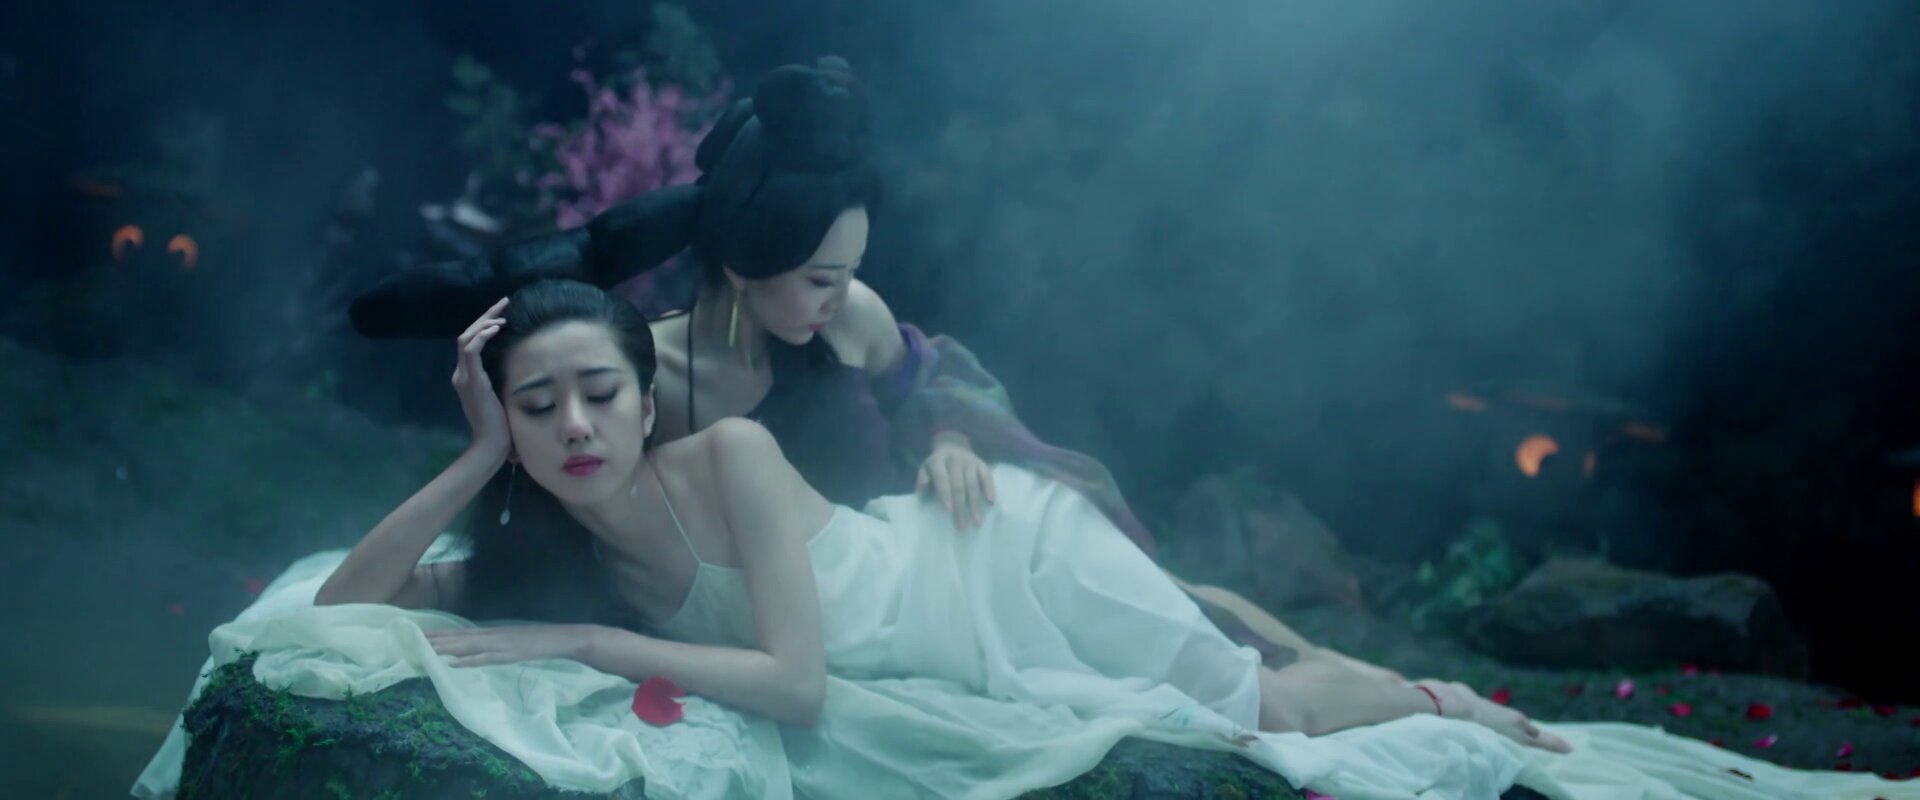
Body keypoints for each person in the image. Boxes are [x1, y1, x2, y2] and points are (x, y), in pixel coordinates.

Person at [290, 280, 1906, 800]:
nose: (576, 426)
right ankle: (1356, 669)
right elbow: (329, 610)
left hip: (998, 566)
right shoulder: (543, 525)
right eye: (539, 408)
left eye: (597, 393)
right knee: (1246, 693)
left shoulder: (731, 454)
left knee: (1264, 709)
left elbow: (794, 682)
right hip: (949, 632)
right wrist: (474, 455)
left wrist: (586, 643)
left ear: (647, 394)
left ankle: (1442, 701)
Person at [347, 54, 1397, 682]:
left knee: (1201, 625)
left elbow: (937, 382)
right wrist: (492, 462)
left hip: (925, 556)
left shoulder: (849, 316)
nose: (836, 295)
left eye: (847, 273)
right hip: (817, 611)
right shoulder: (644, 378)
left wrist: (948, 439)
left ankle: (1373, 681)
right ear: (746, 259)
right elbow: (611, 512)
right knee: (1198, 648)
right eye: (817, 275)